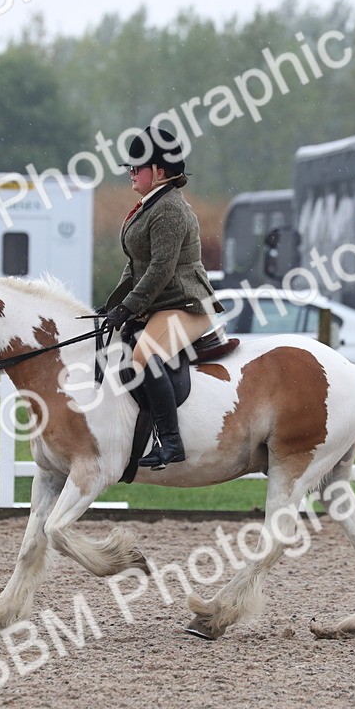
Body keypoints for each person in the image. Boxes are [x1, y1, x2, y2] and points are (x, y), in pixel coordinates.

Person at [101, 126, 223, 469]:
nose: (131, 173)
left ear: (159, 172)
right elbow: (136, 266)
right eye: (130, 167)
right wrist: (114, 305)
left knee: (143, 356)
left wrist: (129, 307)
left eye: (137, 168)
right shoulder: (148, 205)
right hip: (162, 304)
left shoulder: (169, 209)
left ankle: (171, 441)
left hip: (187, 303)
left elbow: (160, 270)